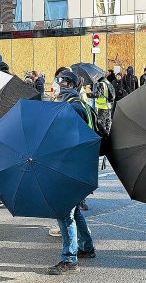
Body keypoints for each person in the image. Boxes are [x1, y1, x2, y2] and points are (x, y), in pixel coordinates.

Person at [48, 70, 96, 276]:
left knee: (64, 211)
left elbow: (67, 139)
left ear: (68, 85)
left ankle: (70, 259)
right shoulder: (79, 104)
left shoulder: (73, 107)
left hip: (70, 166)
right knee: (74, 209)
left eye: (61, 82)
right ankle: (87, 247)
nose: (58, 86)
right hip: (79, 165)